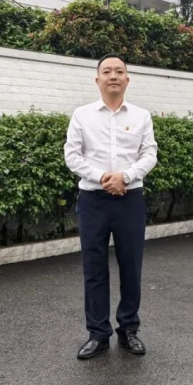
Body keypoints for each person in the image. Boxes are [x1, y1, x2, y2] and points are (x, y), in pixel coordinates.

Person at [64, 53, 158, 360]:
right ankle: (97, 333)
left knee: (131, 266)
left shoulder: (141, 116)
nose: (113, 75)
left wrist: (125, 177)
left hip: (130, 199)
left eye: (119, 71)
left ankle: (129, 329)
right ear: (98, 79)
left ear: (127, 79)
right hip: (93, 201)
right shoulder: (82, 115)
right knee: (94, 269)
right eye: (107, 71)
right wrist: (103, 177)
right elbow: (72, 156)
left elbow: (149, 154)